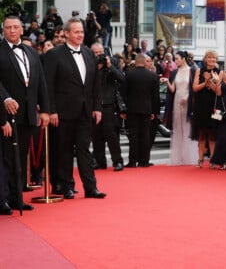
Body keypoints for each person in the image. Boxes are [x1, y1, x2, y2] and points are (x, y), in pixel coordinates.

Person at [44, 18, 106, 199]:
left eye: (82, 32)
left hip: (85, 111)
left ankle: (90, 187)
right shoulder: (54, 55)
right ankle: (66, 186)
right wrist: (51, 110)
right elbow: (48, 85)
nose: (80, 35)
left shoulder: (88, 53)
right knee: (64, 150)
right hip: (63, 112)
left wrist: (97, 107)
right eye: (76, 32)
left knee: (84, 149)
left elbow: (95, 84)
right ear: (66, 34)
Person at [0, 16, 50, 211]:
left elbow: (40, 83)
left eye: (15, 27)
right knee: (5, 158)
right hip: (6, 114)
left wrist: (45, 110)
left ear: (22, 30)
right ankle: (2, 199)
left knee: (20, 157)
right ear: (3, 30)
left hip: (28, 114)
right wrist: (4, 104)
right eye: (8, 27)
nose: (12, 30)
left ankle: (16, 198)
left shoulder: (31, 52)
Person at [90, 43, 124, 172]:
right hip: (94, 105)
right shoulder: (89, 64)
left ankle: (117, 161)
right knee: (96, 135)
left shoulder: (112, 63)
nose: (98, 55)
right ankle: (99, 161)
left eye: (100, 52)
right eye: (95, 52)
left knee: (111, 134)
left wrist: (109, 66)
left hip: (108, 104)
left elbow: (121, 78)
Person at [122, 53, 160, 167]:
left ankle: (132, 161)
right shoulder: (153, 76)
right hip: (147, 109)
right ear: (144, 62)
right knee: (145, 135)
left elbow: (124, 94)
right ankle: (144, 161)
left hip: (132, 109)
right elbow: (155, 96)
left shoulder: (128, 75)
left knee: (133, 136)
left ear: (135, 61)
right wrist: (154, 111)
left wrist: (123, 110)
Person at [162, 51, 198, 166]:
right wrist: (167, 81)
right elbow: (173, 89)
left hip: (188, 101)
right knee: (178, 128)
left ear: (183, 59)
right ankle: (179, 157)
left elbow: (194, 88)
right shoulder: (174, 72)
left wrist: (187, 98)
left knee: (188, 127)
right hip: (177, 101)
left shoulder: (192, 71)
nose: (175, 61)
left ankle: (189, 157)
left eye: (177, 59)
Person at [192, 50, 221, 167]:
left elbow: (218, 91)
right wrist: (206, 82)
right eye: (209, 58)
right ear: (205, 59)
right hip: (201, 106)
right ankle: (200, 160)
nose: (212, 60)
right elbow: (194, 88)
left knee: (213, 134)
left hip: (215, 107)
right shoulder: (199, 71)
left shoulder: (220, 72)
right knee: (202, 134)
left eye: (214, 58)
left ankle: (213, 160)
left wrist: (212, 81)